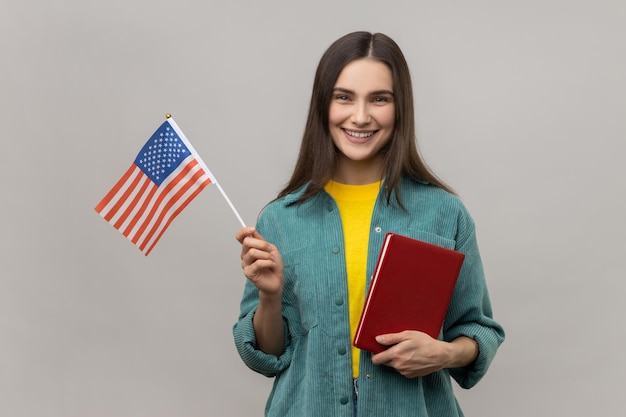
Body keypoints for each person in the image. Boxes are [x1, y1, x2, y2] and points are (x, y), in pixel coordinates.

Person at [233, 31, 505, 417]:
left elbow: (480, 330)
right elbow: (267, 355)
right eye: (344, 97)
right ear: (323, 105)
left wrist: (444, 353)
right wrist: (270, 297)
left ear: (400, 108)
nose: (360, 117)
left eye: (379, 99)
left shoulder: (444, 213)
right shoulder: (280, 218)